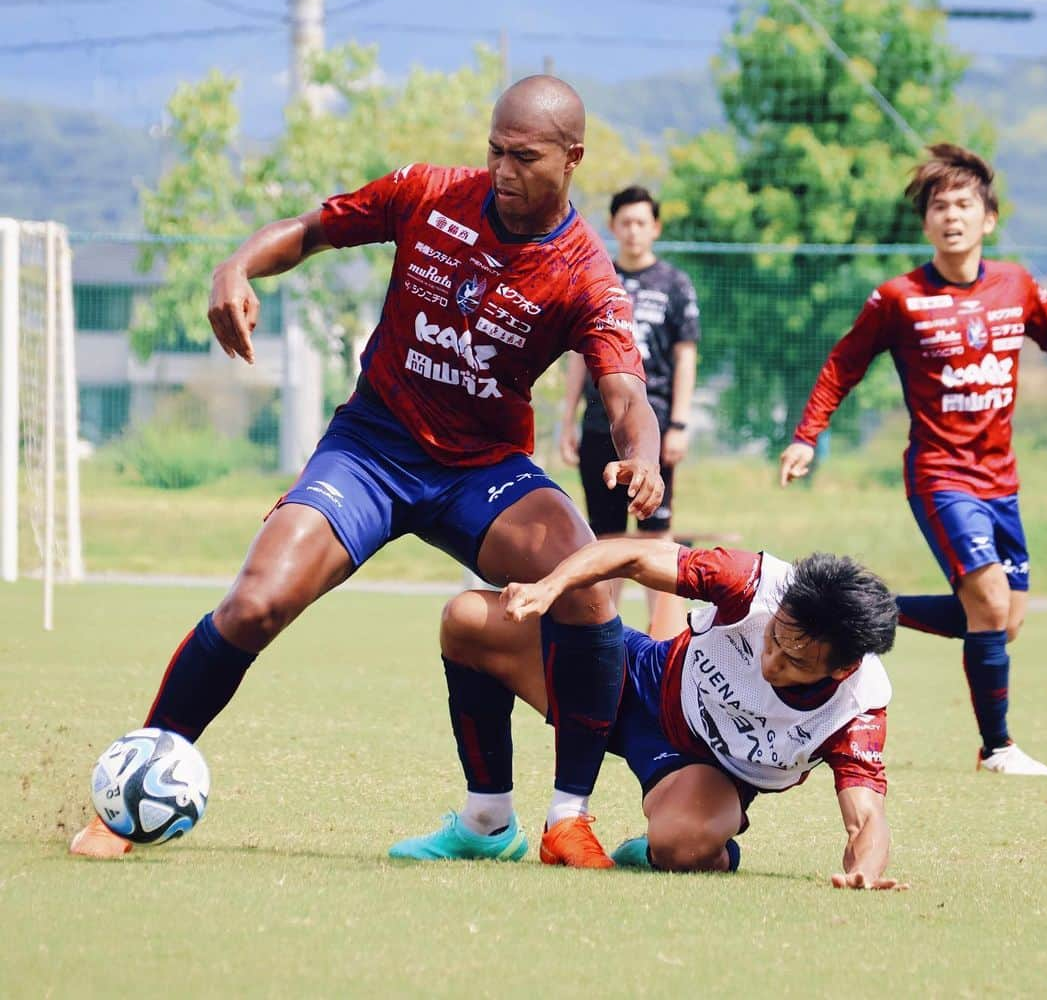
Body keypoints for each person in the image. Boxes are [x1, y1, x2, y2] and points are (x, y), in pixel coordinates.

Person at [70, 75, 663, 864]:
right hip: (372, 448)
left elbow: (625, 392)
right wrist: (236, 267)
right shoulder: (427, 193)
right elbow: (312, 231)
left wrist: (644, 454)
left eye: (524, 156)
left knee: (586, 584)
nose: (503, 169)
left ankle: (564, 819)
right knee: (254, 604)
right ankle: (129, 799)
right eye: (495, 150)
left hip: (482, 470)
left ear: (573, 158)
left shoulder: (587, 273)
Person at [779, 143, 1047, 777]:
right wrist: (807, 435)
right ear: (926, 224)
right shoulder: (899, 298)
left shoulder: (1016, 285)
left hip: (1002, 479)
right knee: (990, 605)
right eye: (939, 207)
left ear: (988, 218)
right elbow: (843, 364)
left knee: (1001, 621)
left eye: (964, 205)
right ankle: (997, 749)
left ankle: (857, 603)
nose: (951, 216)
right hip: (941, 476)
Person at [392, 537, 905, 891]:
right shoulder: (754, 583)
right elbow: (634, 557)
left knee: (684, 847)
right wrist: (551, 586)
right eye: (774, 639)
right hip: (633, 678)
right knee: (468, 620)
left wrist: (864, 872)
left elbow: (865, 820)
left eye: (796, 661)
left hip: (699, 772)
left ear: (842, 670)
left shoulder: (857, 707)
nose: (773, 661)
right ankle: (487, 822)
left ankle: (659, 851)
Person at [560, 186, 699, 637]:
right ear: (614, 228)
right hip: (600, 425)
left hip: (652, 427)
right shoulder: (599, 279)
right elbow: (579, 356)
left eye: (642, 222)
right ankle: (608, 635)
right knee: (605, 536)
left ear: (655, 228)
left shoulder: (675, 285)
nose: (634, 231)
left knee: (656, 532)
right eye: (626, 223)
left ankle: (664, 638)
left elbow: (685, 358)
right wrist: (566, 421)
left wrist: (677, 424)